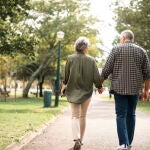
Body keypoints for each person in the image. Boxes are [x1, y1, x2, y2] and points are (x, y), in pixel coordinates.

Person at [100, 30, 150, 150]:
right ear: (131, 38)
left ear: (123, 38)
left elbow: (106, 69)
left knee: (121, 115)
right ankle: (128, 142)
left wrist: (99, 85)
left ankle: (124, 143)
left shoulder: (116, 49)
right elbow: (148, 74)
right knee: (131, 114)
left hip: (119, 88)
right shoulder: (142, 51)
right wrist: (146, 91)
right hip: (135, 89)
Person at [61, 36, 103, 150]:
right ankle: (81, 141)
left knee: (75, 116)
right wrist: (99, 87)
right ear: (85, 48)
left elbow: (66, 76)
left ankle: (77, 139)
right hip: (86, 92)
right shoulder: (91, 60)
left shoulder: (70, 58)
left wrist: (63, 86)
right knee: (83, 116)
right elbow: (96, 76)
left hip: (73, 90)